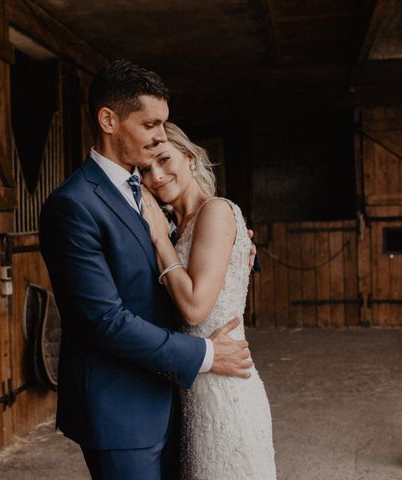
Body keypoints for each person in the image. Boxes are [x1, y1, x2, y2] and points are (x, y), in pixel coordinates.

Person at [39, 60, 255, 480]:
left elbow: (184, 249)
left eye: (164, 125)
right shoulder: (73, 204)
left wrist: (239, 247)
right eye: (151, 124)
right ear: (108, 120)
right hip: (121, 409)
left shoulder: (144, 190)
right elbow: (103, 320)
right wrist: (205, 355)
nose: (159, 137)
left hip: (175, 396)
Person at [139, 122, 277, 479]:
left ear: (190, 156)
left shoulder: (215, 211)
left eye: (164, 159)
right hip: (192, 389)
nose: (156, 175)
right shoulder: (176, 226)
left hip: (227, 391)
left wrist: (158, 239)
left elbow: (196, 308)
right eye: (144, 169)